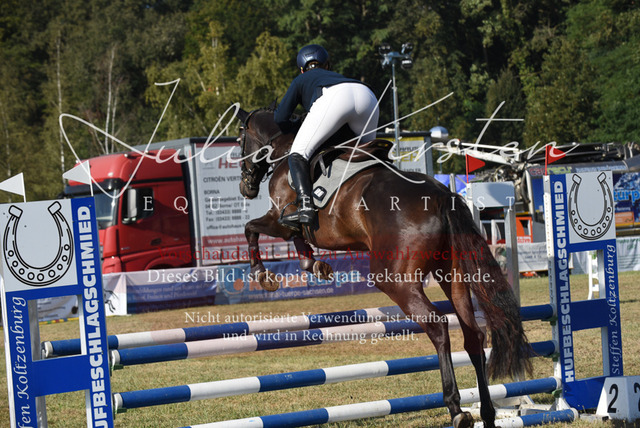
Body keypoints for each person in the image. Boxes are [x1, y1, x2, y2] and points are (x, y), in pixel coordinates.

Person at [274, 44, 380, 229]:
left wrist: (292, 128)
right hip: (367, 95)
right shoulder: (336, 76)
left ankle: (306, 207)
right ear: (327, 65)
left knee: (297, 154)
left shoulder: (301, 78)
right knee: (369, 153)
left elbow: (280, 118)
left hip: (337, 98)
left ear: (302, 69)